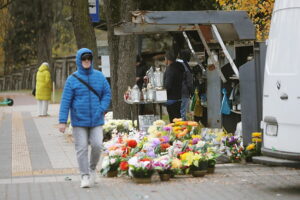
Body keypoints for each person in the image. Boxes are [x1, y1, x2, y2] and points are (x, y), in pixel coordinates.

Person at [58, 48, 111, 188]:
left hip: (96, 119)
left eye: (89, 59)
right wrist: (62, 121)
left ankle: (92, 169)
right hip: (79, 120)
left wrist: (101, 108)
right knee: (81, 148)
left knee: (97, 145)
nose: (86, 61)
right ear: (79, 61)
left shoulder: (99, 77)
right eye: (84, 59)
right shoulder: (72, 80)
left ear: (92, 60)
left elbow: (107, 94)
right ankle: (85, 175)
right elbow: (65, 102)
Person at [163, 50, 184, 123]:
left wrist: (162, 88)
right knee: (178, 119)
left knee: (173, 121)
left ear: (167, 59)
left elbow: (168, 85)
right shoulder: (179, 67)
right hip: (178, 96)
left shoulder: (170, 69)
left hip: (171, 98)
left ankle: (177, 133)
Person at [177, 49, 193, 121]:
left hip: (174, 92)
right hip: (184, 91)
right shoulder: (185, 65)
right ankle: (182, 129)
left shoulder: (174, 63)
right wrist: (192, 91)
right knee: (182, 113)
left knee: (177, 112)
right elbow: (189, 81)